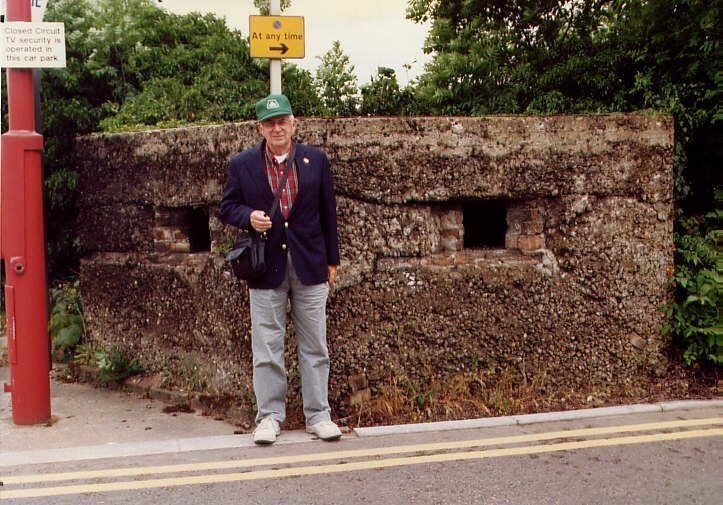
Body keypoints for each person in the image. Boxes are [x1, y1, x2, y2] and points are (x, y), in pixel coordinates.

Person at [219, 94, 342, 445]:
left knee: (315, 345)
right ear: (261, 127)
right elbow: (227, 207)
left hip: (310, 265)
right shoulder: (242, 164)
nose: (277, 128)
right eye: (270, 123)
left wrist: (332, 260)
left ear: (293, 123)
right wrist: (249, 217)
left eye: (282, 121)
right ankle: (269, 416)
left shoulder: (315, 160)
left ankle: (318, 415)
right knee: (267, 347)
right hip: (264, 267)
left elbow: (328, 213)